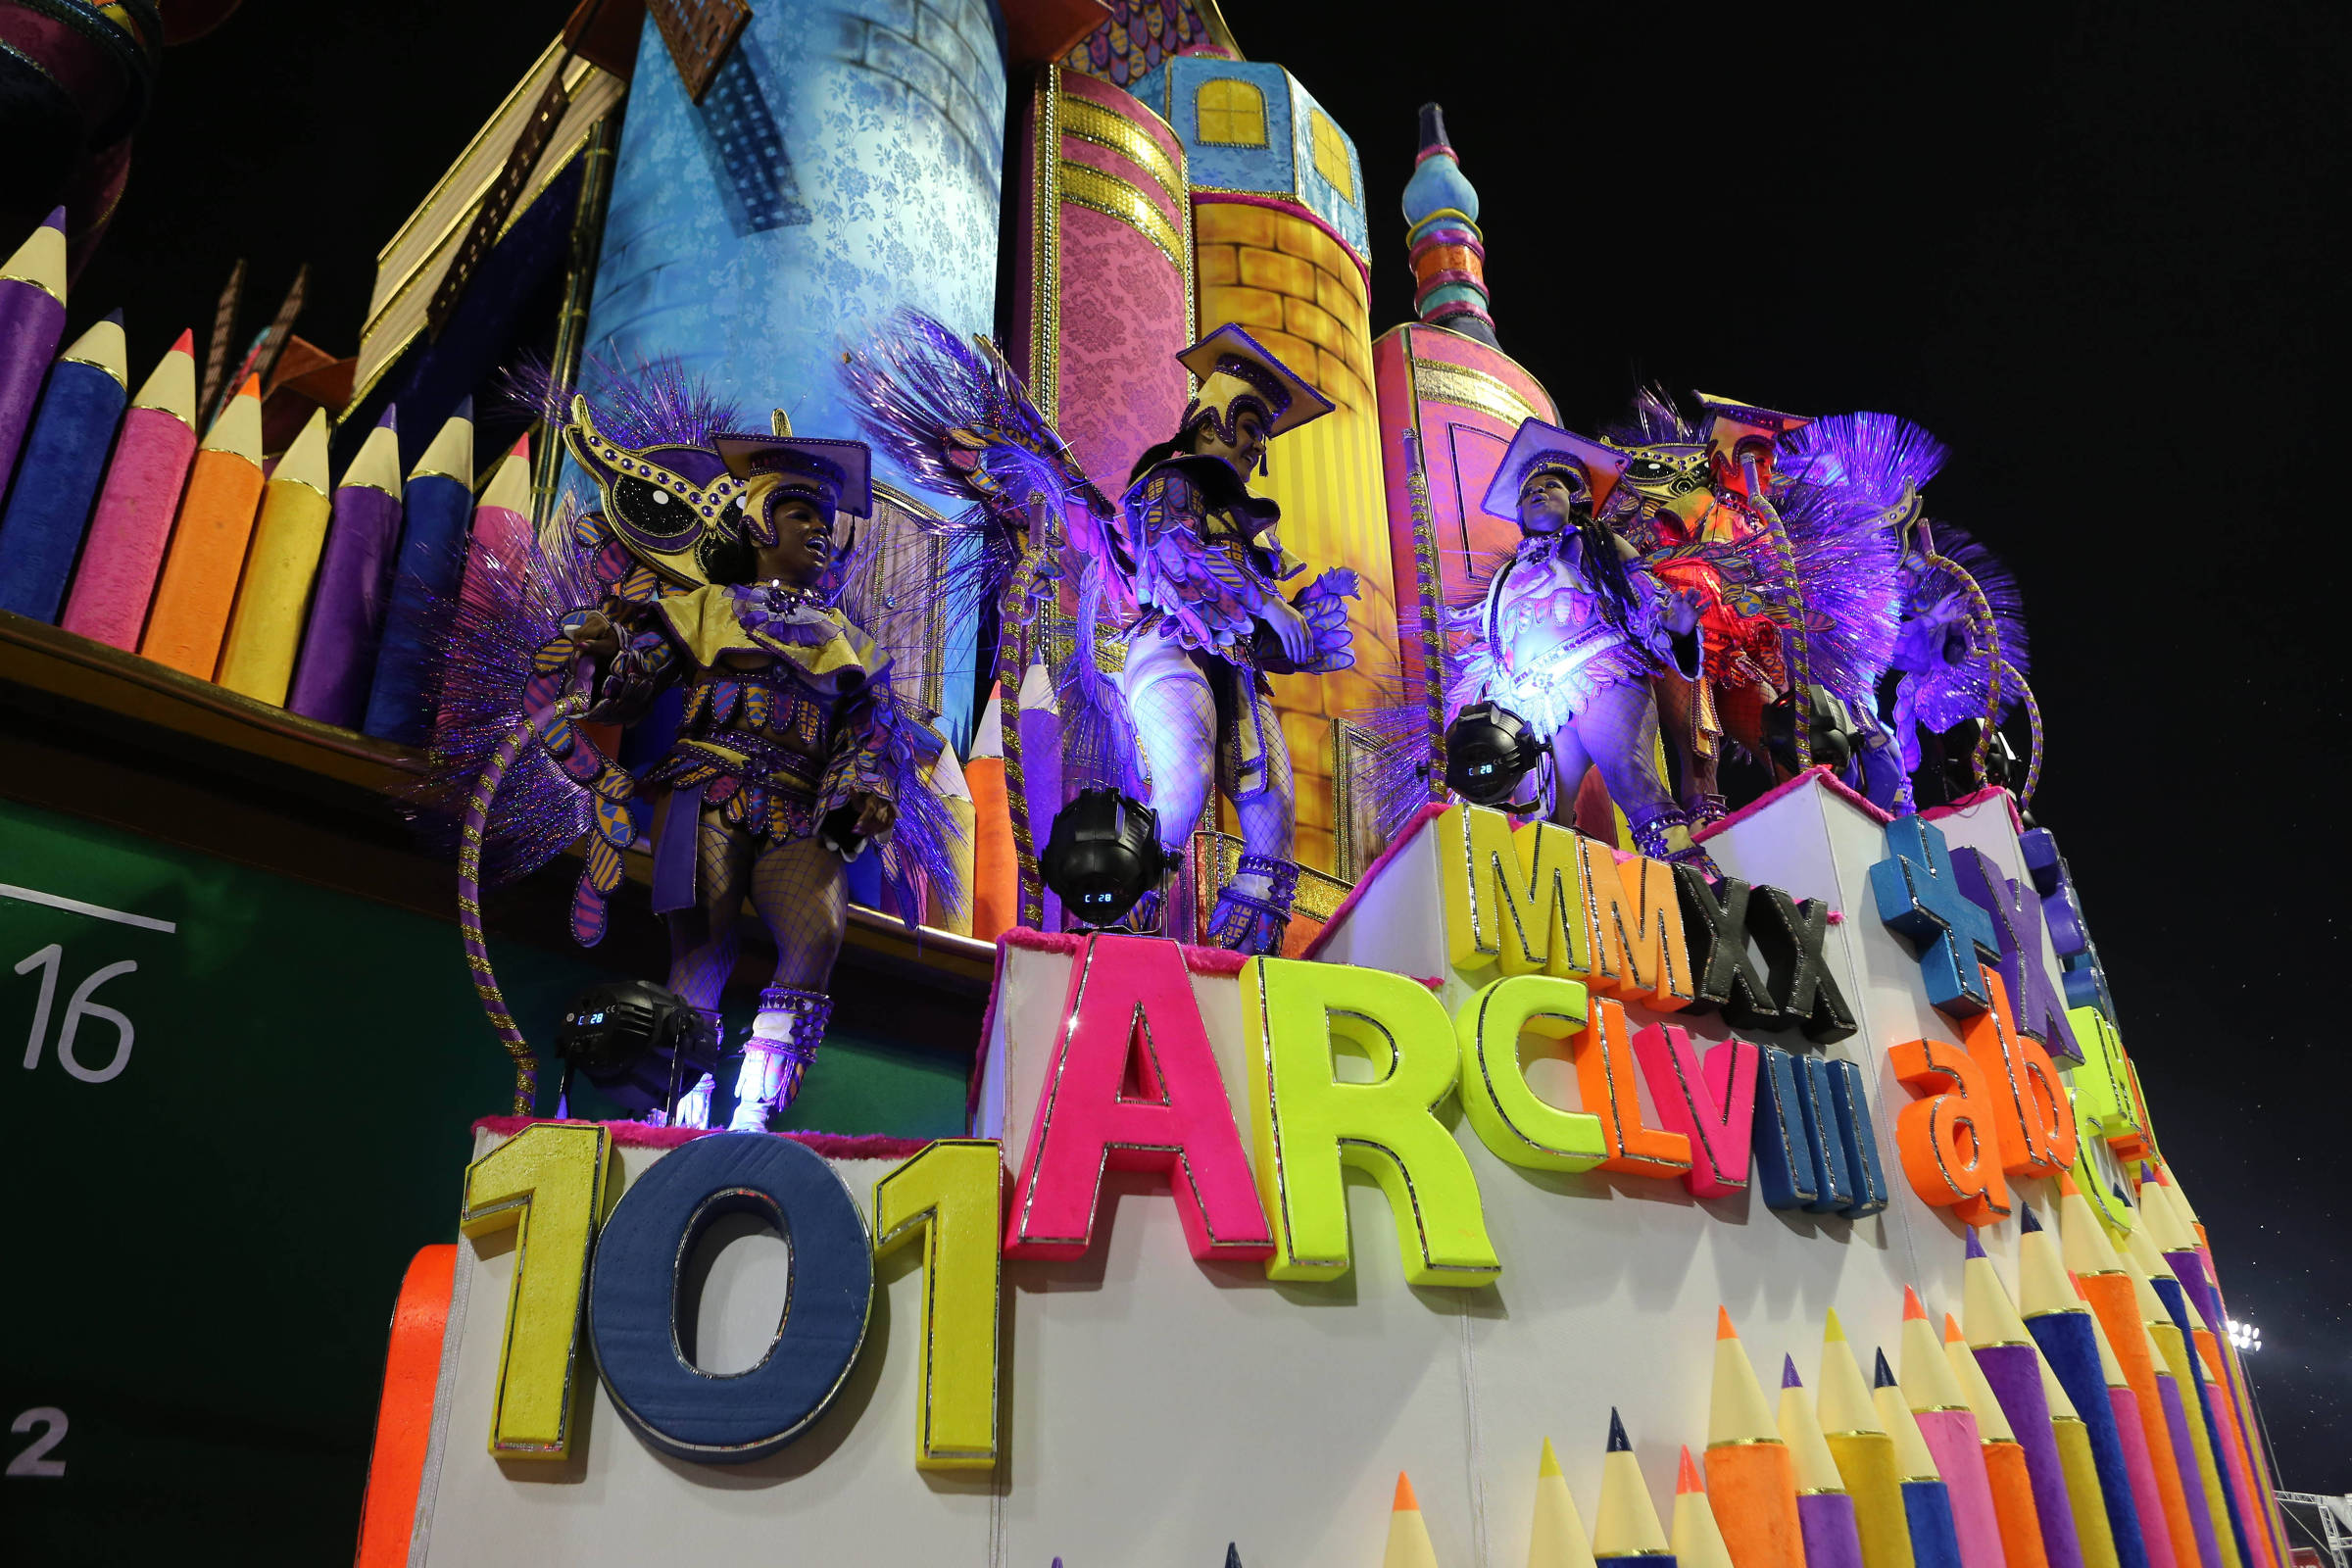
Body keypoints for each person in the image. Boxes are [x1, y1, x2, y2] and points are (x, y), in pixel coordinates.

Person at [567, 424, 944, 1129]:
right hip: (707, 787)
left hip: (802, 810)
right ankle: (679, 1113)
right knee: (704, 947)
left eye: (827, 521)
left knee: (818, 931)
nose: (818, 531)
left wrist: (864, 789)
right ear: (759, 520)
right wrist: (608, 648)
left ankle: (754, 1115)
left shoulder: (850, 643)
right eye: (801, 515)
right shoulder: (701, 608)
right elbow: (634, 681)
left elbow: (870, 732)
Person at [1114, 325, 1357, 954]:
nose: (1258, 445)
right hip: (1172, 649)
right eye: (1250, 427)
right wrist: (1269, 603)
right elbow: (1180, 554)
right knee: (1185, 784)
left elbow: (1253, 620)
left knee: (1276, 830)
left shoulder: (1252, 533)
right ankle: (1119, 925)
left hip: (1238, 674)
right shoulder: (1170, 484)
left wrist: (1304, 628)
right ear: (1208, 422)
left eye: (1262, 434)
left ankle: (1245, 977)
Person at [1452, 417, 1709, 863]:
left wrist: (1677, 627)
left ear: (1576, 502)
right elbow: (1496, 651)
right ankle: (1567, 906)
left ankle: (1693, 883)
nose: (1538, 492)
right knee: (1541, 813)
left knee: (1625, 767)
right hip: (1536, 708)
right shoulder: (1505, 578)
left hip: (1601, 675)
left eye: (1551, 485)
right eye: (1529, 491)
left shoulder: (1600, 545)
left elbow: (1644, 600)